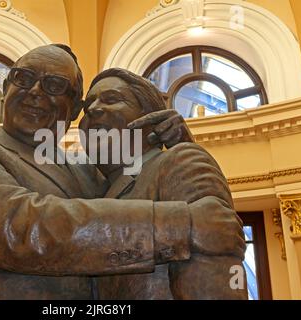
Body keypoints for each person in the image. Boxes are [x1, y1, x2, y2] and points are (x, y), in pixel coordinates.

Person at [0, 44, 244, 299]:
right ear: (5, 87)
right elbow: (19, 226)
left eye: (54, 85)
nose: (35, 92)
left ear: (73, 110)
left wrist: (182, 151)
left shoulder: (90, 176)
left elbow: (147, 177)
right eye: (24, 78)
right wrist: (181, 224)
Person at [79, 68, 247, 299]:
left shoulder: (179, 162)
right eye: (87, 105)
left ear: (150, 117)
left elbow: (215, 248)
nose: (93, 108)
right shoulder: (94, 190)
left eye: (111, 99)